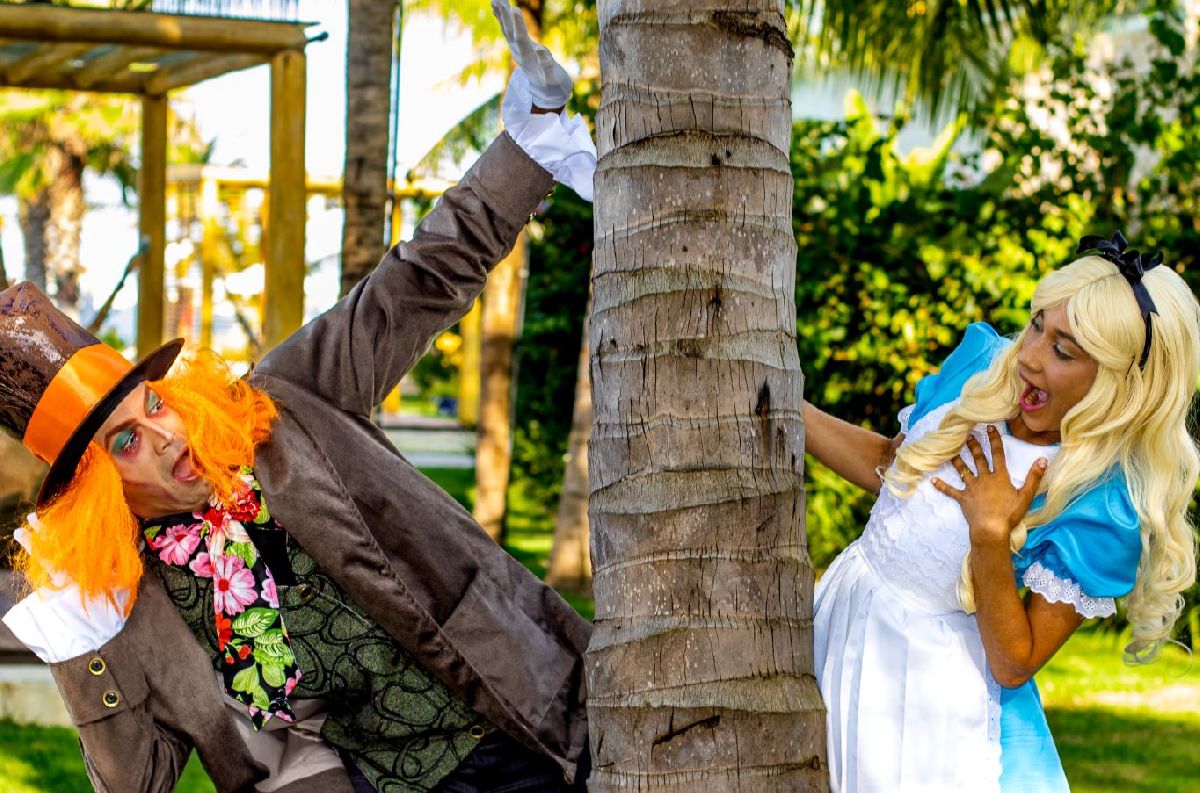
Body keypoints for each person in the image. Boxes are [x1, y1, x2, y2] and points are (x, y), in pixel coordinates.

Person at [0, 3, 597, 791]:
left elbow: (411, 286)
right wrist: (80, 651)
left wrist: (526, 150)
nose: (168, 433)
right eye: (125, 442)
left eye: (151, 403)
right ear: (92, 493)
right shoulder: (134, 597)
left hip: (528, 704)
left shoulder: (282, 403)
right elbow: (137, 780)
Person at [804, 234, 1200, 792]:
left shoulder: (1098, 498)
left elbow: (1016, 662)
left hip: (933, 716)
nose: (1030, 356)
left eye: (1064, 351)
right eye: (1038, 324)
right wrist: (785, 407)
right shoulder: (984, 369)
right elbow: (888, 465)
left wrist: (989, 534)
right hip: (848, 629)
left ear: (1119, 385)